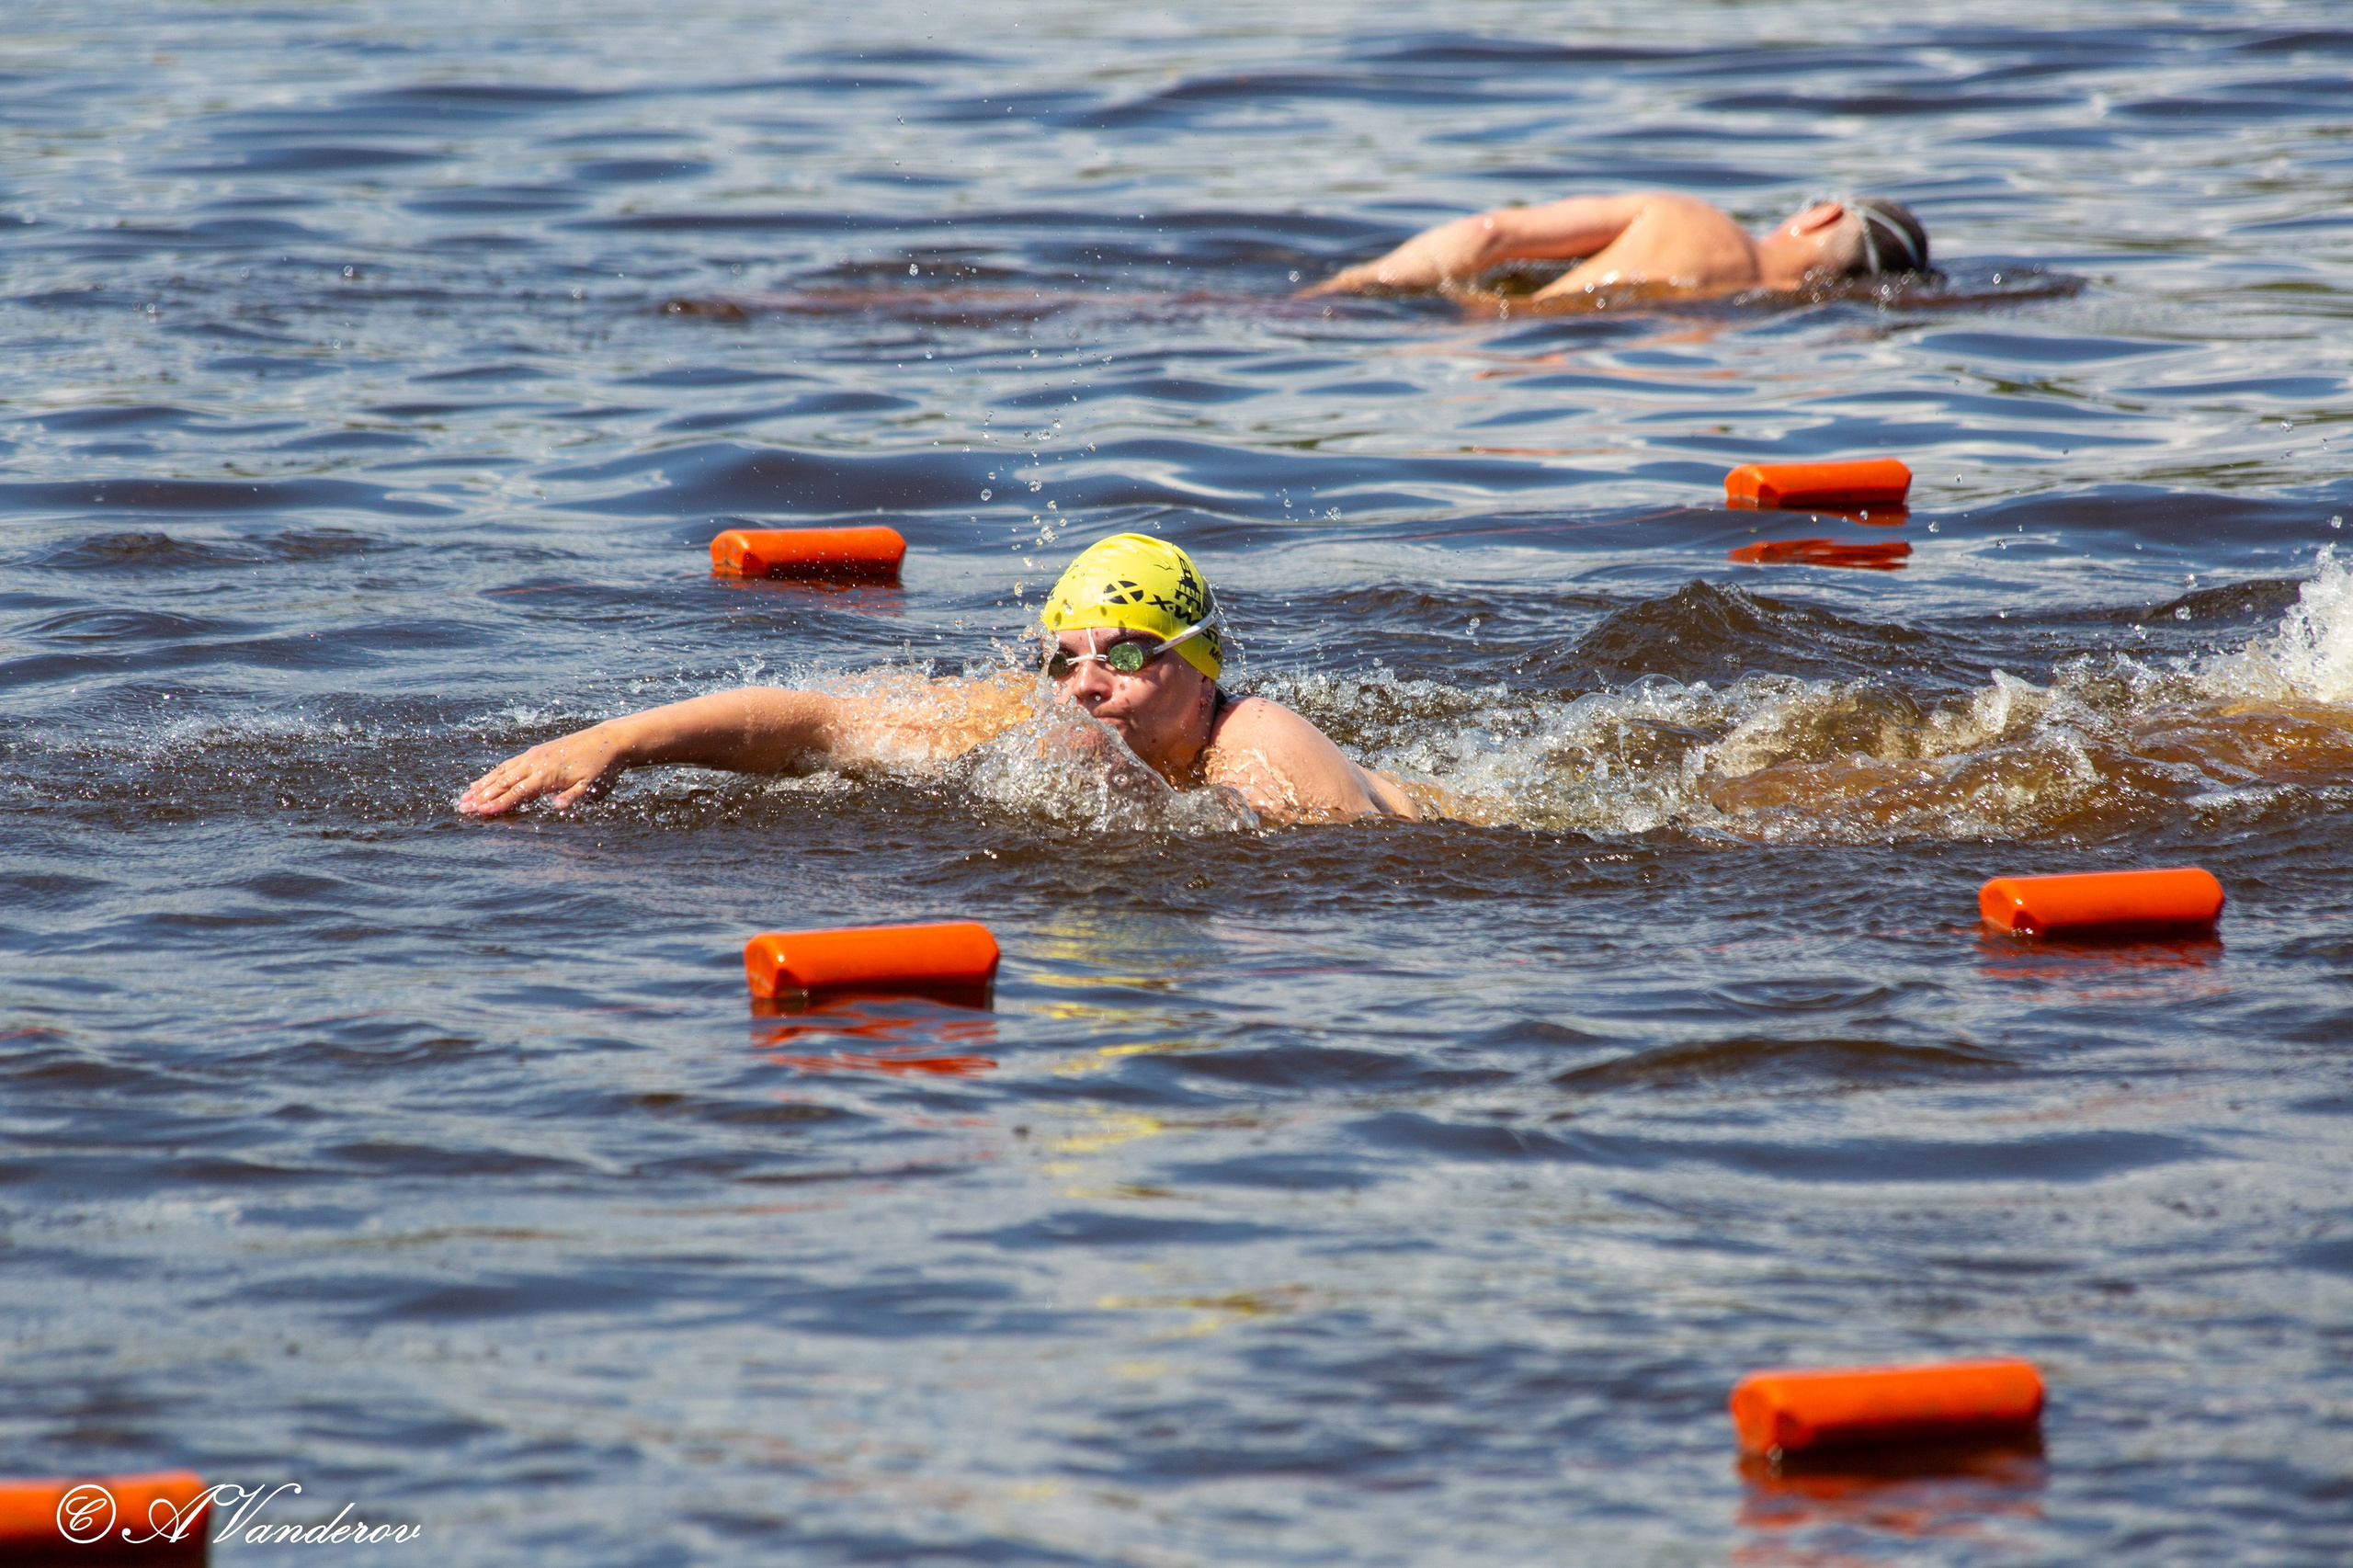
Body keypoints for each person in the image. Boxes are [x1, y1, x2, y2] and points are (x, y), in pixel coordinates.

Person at [458, 532, 1427, 825]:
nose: (1086, 684)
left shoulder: (1262, 742)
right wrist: (613, 740)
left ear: (1200, 667)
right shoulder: (1028, 717)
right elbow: (823, 726)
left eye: (1128, 652)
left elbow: (1313, 892)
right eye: (1065, 657)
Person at [1303, 191, 1930, 304]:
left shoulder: (1689, 218)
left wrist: (1353, 283)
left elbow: (1493, 234)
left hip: (1482, 338)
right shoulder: (1759, 336)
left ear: (1822, 215)